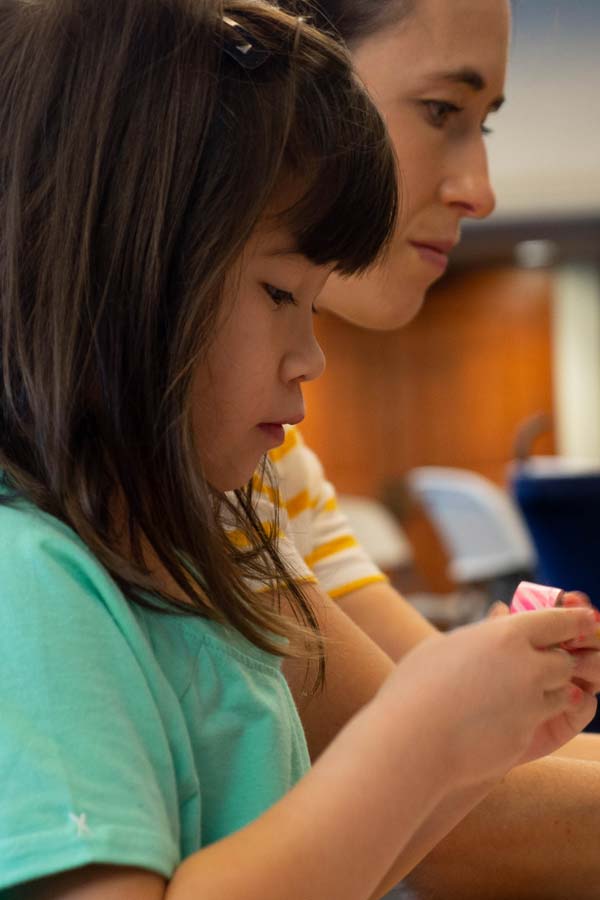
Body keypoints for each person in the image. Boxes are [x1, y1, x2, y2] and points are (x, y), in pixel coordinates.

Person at [1, 1, 599, 899]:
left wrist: (474, 742)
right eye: (282, 294)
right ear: (127, 270)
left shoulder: (190, 544)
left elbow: (345, 853)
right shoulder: (34, 585)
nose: (312, 359)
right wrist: (423, 740)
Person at [258, 0, 600, 896]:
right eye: (442, 112)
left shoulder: (272, 460)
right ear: (294, 93)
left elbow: (429, 739)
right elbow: (440, 807)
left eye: (481, 123)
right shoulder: (158, 453)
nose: (481, 190)